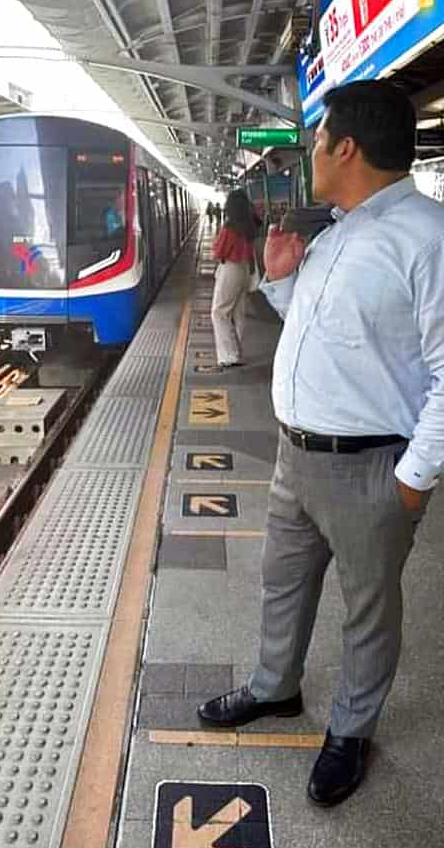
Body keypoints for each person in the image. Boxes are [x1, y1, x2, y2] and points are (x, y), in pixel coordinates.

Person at [197, 80, 444, 807]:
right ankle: (276, 688)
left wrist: (411, 481)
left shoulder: (428, 239)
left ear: (346, 147)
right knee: (282, 578)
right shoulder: (338, 231)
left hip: (373, 465)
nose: (309, 153)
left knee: (368, 607)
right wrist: (277, 283)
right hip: (295, 457)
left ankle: (350, 731)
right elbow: (321, 332)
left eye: (316, 140)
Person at [204, 189, 256, 371]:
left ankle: (228, 356)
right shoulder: (249, 227)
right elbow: (250, 254)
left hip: (231, 269)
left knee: (219, 312)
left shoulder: (229, 227)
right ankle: (237, 352)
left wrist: (215, 247)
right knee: (238, 312)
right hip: (244, 270)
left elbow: (218, 252)